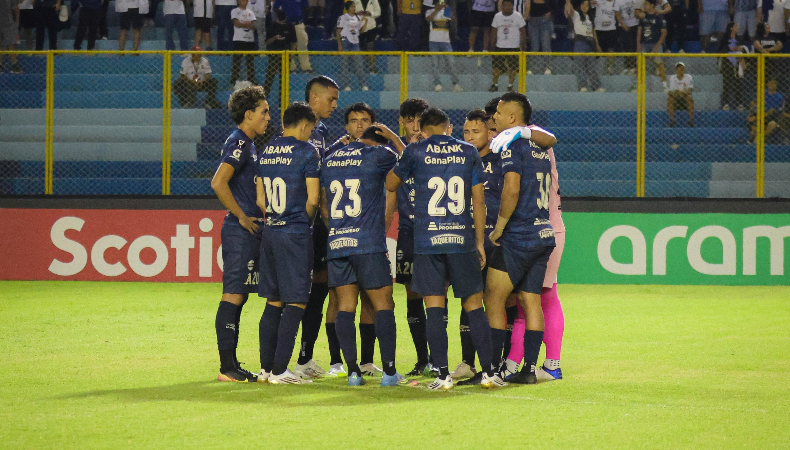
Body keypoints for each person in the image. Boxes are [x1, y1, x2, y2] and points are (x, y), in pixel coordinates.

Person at [386, 107, 506, 390]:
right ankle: (489, 373)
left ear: (424, 130)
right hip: (462, 240)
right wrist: (479, 241)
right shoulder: (468, 152)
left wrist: (410, 156)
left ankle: (442, 376)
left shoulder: (415, 151)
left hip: (428, 242)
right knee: (474, 305)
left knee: (435, 307)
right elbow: (479, 201)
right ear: (449, 128)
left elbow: (391, 183)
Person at [320, 125, 406, 386]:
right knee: (383, 304)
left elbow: (323, 202)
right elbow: (410, 159)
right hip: (368, 243)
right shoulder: (378, 154)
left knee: (345, 305)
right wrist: (393, 137)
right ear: (378, 142)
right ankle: (389, 372)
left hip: (337, 242)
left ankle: (354, 372)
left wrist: (335, 228)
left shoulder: (331, 158)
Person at [488, 98, 562, 383]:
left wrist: (499, 228)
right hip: (543, 232)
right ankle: (530, 370)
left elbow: (511, 189)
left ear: (511, 117)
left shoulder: (512, 145)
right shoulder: (540, 147)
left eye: (497, 112)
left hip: (519, 234)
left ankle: (493, 369)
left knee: (493, 298)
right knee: (531, 300)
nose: (494, 115)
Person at [255, 102, 320, 384]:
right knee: (296, 302)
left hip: (270, 231)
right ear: (304, 126)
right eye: (311, 129)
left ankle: (266, 369)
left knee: (273, 300)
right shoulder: (307, 152)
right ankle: (281, 369)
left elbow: (260, 200)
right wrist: (301, 221)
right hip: (294, 232)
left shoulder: (266, 150)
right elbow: (314, 199)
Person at [210, 85, 270, 383]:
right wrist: (242, 216)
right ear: (249, 114)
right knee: (233, 294)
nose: (268, 117)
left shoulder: (248, 143)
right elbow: (219, 182)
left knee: (240, 296)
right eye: (264, 111)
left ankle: (231, 364)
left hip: (249, 230)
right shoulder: (240, 143)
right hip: (239, 231)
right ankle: (226, 367)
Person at [293, 75, 342, 379]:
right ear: (314, 98)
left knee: (320, 288)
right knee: (302, 291)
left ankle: (304, 358)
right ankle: (290, 360)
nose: (335, 105)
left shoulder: (320, 131)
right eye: (331, 99)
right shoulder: (303, 129)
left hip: (315, 223)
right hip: (304, 221)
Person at [392, 98, 436, 377]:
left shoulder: (437, 152)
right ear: (403, 123)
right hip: (408, 233)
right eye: (409, 121)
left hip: (435, 233)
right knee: (412, 296)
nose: (414, 126)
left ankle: (440, 358)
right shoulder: (393, 154)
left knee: (436, 295)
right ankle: (422, 359)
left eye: (419, 120)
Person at [489, 0, 526, 93]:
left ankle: (510, 85)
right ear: (501, 6)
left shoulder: (517, 16)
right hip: (500, 46)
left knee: (513, 67)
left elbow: (523, 30)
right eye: (504, 5)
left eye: (509, 5)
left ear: (512, 6)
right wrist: (492, 45)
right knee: (496, 67)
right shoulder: (497, 16)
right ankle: (495, 84)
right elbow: (493, 31)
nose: (506, 7)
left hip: (514, 46)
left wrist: (524, 43)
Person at [426, 1, 463, 92]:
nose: (441, 3)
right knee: (435, 64)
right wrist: (436, 10)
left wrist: (448, 8)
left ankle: (456, 84)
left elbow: (452, 18)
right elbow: (429, 18)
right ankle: (437, 84)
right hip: (433, 41)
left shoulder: (446, 11)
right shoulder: (430, 11)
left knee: (451, 63)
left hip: (446, 42)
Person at [570, 0, 604, 92]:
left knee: (592, 66)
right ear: (580, 5)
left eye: (587, 5)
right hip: (580, 42)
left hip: (590, 43)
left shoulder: (590, 18)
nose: (584, 7)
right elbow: (569, 10)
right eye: (583, 4)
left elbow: (593, 32)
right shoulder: (576, 15)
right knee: (580, 66)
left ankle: (596, 86)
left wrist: (597, 45)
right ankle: (582, 86)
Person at [336, 1, 370, 91]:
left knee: (359, 64)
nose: (354, 8)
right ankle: (346, 85)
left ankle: (363, 84)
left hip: (355, 42)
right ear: (347, 8)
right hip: (345, 41)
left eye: (354, 6)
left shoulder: (358, 17)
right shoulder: (342, 18)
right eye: (352, 7)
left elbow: (361, 31)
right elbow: (338, 31)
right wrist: (340, 44)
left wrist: (365, 22)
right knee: (344, 64)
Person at [263, 9, 295, 101]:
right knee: (269, 78)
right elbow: (267, 42)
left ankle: (282, 102)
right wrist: (274, 38)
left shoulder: (289, 26)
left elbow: (294, 41)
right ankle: (264, 100)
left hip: (285, 54)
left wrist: (292, 53)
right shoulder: (272, 26)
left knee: (284, 79)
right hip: (274, 54)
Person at [274, 0, 314, 72]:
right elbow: (275, 7)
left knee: (303, 45)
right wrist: (282, 17)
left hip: (298, 23)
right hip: (287, 25)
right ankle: (290, 67)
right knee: (287, 46)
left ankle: (306, 67)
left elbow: (306, 8)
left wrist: (302, 18)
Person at [637, 0, 667, 87]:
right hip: (644, 44)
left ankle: (664, 85)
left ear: (652, 5)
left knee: (660, 63)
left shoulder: (659, 16)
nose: (644, 6)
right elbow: (639, 32)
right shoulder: (643, 16)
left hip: (655, 43)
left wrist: (656, 48)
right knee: (639, 64)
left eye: (646, 4)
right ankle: (640, 85)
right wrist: (638, 46)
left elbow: (664, 33)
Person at [747, 78, 786, 143]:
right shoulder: (763, 92)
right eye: (770, 83)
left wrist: (756, 117)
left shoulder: (779, 97)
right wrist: (751, 112)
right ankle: (752, 141)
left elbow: (770, 112)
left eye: (774, 83)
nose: (772, 85)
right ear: (767, 84)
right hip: (758, 113)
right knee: (754, 126)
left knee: (772, 124)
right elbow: (754, 102)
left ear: (776, 85)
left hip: (769, 116)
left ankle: (758, 138)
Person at [720, 21, 747, 111]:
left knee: (738, 83)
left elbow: (741, 49)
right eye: (735, 26)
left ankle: (739, 103)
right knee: (727, 83)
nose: (737, 27)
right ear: (731, 28)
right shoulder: (724, 38)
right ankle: (725, 103)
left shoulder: (739, 38)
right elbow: (723, 49)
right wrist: (734, 49)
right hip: (727, 62)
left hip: (737, 62)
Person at [230, 0, 257, 87]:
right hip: (239, 39)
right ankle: (234, 80)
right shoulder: (235, 11)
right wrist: (247, 24)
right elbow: (236, 23)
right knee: (237, 61)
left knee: (250, 61)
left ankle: (251, 79)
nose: (244, 1)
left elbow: (254, 25)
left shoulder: (250, 12)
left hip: (249, 40)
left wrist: (243, 23)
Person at [525, 0, 555, 75]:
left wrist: (551, 11)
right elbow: (527, 5)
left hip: (545, 20)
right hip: (533, 21)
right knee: (534, 46)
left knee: (546, 45)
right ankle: (532, 68)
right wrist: (526, 13)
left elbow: (555, 4)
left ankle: (548, 67)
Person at [593, 0, 619, 74]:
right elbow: (590, 3)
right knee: (599, 49)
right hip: (599, 29)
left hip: (611, 29)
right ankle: (600, 69)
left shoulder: (615, 2)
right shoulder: (599, 1)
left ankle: (610, 68)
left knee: (611, 49)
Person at [354, 0, 381, 72]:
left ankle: (372, 67)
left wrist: (370, 13)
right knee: (359, 48)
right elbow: (351, 11)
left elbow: (378, 12)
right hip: (359, 27)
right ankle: (358, 68)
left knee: (370, 47)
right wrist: (357, 13)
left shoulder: (374, 0)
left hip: (371, 27)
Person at [614, 0, 640, 74]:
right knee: (625, 46)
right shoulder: (618, 1)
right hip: (623, 26)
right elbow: (617, 13)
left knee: (634, 46)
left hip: (635, 25)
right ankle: (627, 66)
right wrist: (623, 24)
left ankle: (634, 66)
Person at [667, 61, 694, 127]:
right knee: (670, 99)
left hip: (685, 97)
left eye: (682, 68)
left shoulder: (688, 77)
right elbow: (671, 92)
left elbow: (690, 90)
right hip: (676, 97)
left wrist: (680, 92)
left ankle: (690, 120)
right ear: (675, 70)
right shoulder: (672, 78)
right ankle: (672, 120)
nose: (680, 69)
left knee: (690, 98)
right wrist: (681, 92)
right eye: (678, 68)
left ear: (684, 69)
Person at [0, 0, 21, 73]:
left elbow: (16, 8)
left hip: (9, 23)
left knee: (12, 43)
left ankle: (14, 65)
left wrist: (17, 21)